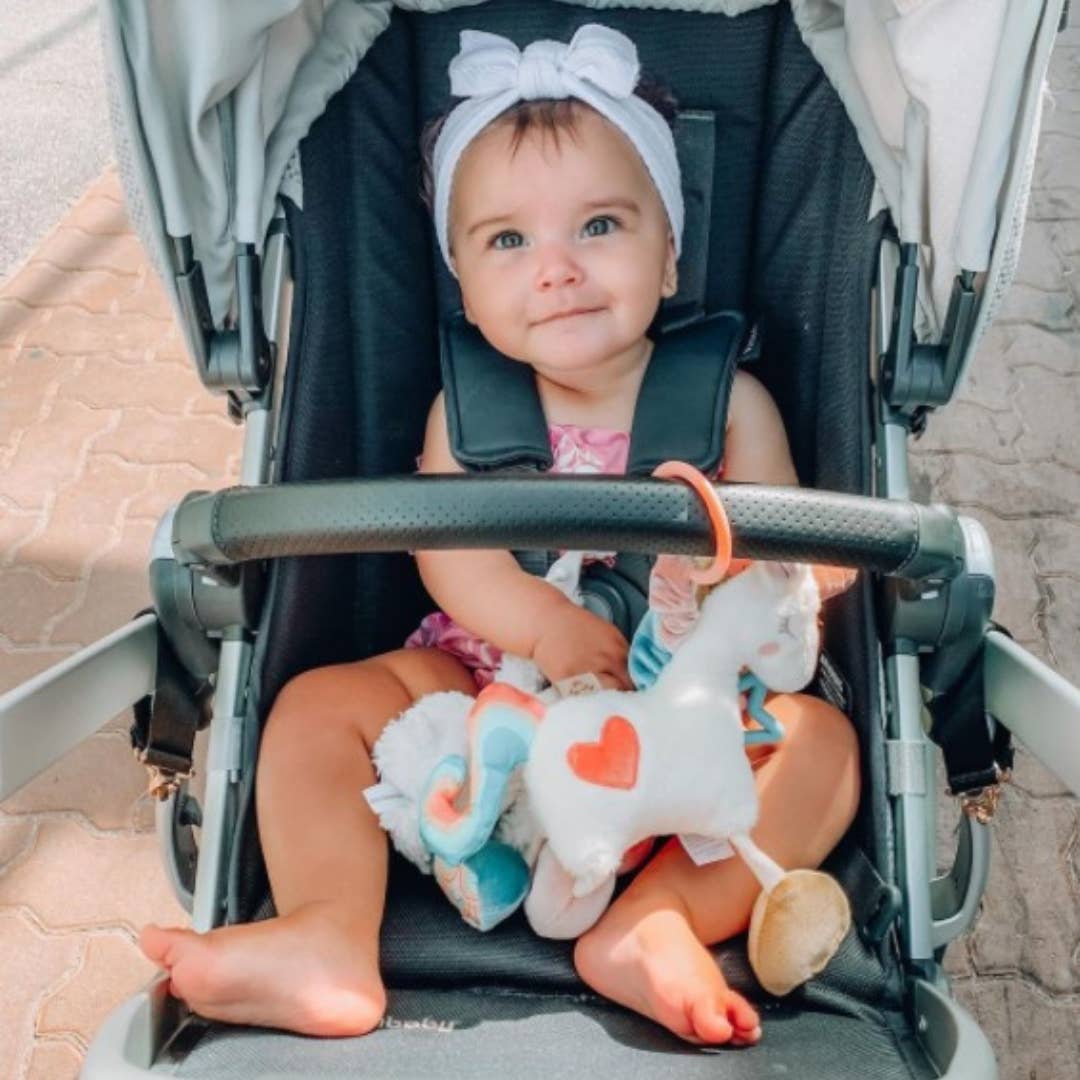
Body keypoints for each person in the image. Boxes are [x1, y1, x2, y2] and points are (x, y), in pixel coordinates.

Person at [138, 23, 860, 1048]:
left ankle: (655, 924)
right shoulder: (464, 412)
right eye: (509, 242)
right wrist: (543, 624)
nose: (556, 269)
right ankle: (329, 931)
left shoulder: (730, 400)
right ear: (465, 289)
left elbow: (797, 547)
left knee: (822, 749)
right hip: (487, 696)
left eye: (600, 226)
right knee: (312, 710)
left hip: (675, 720)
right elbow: (452, 553)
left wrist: (755, 576)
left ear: (670, 256)